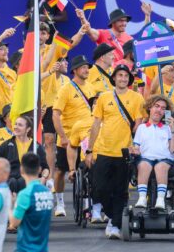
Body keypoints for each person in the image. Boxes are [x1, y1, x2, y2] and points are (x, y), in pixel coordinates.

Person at [85, 64, 144, 238]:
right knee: (99, 188)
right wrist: (89, 149)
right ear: (114, 78)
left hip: (124, 152)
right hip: (103, 150)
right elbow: (96, 124)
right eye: (120, 75)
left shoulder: (137, 98)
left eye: (126, 76)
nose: (123, 79)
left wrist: (136, 146)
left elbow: (138, 124)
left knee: (120, 191)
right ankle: (113, 216)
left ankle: (116, 224)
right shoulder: (104, 97)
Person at [40, 22, 87, 190]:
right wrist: (53, 44)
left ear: (47, 35)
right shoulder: (27, 52)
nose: (40, 35)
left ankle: (51, 177)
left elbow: (70, 43)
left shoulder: (55, 48)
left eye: (44, 32)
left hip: (52, 101)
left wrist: (80, 31)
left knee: (50, 140)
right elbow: (43, 65)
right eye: (38, 32)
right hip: (36, 101)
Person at [52, 55, 96, 216]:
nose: (86, 70)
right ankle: (60, 203)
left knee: (87, 171)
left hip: (85, 136)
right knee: (60, 171)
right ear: (75, 70)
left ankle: (86, 204)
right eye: (83, 67)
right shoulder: (66, 89)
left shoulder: (91, 88)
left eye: (87, 67)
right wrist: (62, 136)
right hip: (68, 136)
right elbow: (55, 114)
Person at [132, 95, 174, 210]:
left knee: (160, 167)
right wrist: (134, 150)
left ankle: (161, 199)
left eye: (163, 108)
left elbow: (173, 150)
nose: (159, 110)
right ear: (150, 108)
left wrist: (172, 129)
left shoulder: (167, 128)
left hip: (164, 159)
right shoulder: (142, 128)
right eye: (157, 106)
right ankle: (142, 197)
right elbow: (136, 146)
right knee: (143, 165)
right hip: (146, 158)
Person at [67, 94, 104, 223]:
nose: (97, 105)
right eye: (95, 103)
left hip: (110, 157)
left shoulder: (114, 122)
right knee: (94, 165)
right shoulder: (81, 124)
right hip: (90, 161)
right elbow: (72, 146)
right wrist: (72, 169)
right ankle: (96, 208)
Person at [9, 152, 54, 252]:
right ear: (39, 170)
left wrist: (10, 205)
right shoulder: (48, 193)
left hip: (25, 248)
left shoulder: (25, 194)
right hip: (42, 248)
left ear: (21, 170)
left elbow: (14, 222)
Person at [0, 116, 49, 193]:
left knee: (23, 181)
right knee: (12, 182)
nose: (16, 127)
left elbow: (45, 168)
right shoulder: (6, 145)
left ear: (28, 129)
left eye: (20, 125)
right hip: (10, 183)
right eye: (15, 124)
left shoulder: (36, 147)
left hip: (29, 182)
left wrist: (44, 178)